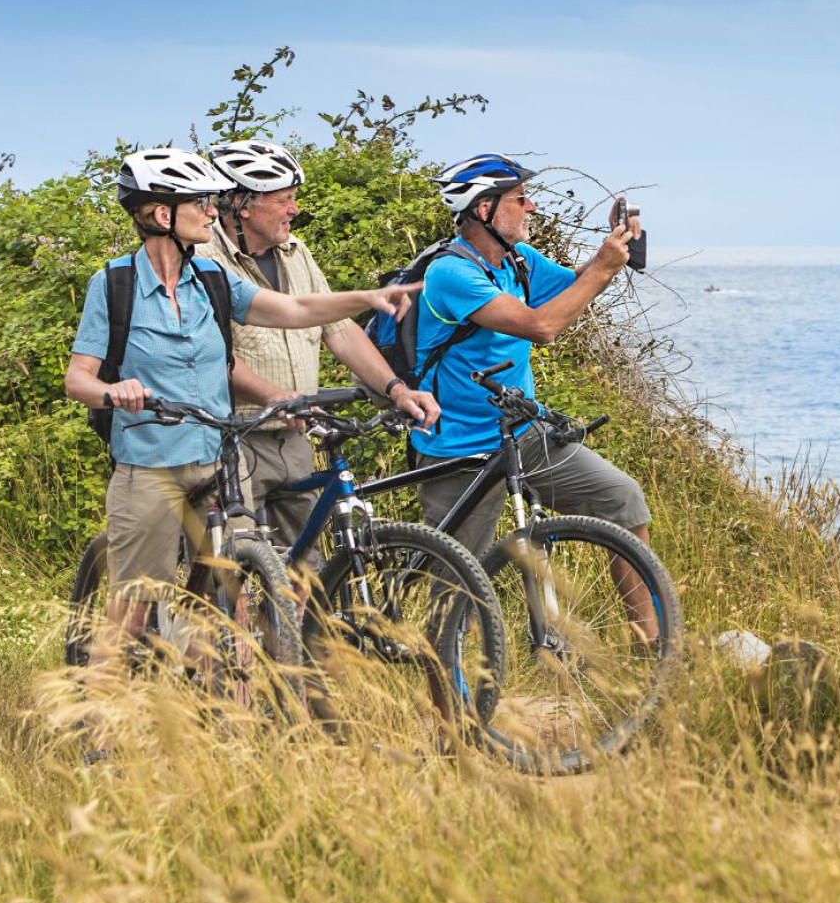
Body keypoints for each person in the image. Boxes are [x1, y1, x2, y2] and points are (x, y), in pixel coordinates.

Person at [61, 148, 416, 662]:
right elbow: (79, 380)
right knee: (135, 610)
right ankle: (102, 733)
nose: (213, 210)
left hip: (216, 461)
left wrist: (366, 298)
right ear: (164, 215)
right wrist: (114, 392)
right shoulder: (114, 285)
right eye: (202, 202)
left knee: (235, 600)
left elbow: (294, 309)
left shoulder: (211, 280)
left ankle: (237, 729)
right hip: (149, 466)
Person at [409, 154, 655, 625]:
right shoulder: (450, 273)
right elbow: (541, 326)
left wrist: (614, 251)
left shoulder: (519, 260)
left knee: (622, 501)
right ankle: (447, 686)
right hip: (457, 448)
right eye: (520, 199)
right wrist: (603, 268)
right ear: (483, 210)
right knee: (456, 583)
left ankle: (654, 652)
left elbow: (574, 289)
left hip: (521, 433)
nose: (532, 207)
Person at [201, 139, 440, 552]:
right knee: (233, 566)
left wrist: (396, 389)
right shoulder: (204, 260)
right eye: (285, 200)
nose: (295, 209)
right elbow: (211, 354)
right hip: (232, 436)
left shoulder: (297, 253)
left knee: (305, 570)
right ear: (243, 204)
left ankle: (287, 619)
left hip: (293, 436)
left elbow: (340, 331)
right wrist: (276, 396)